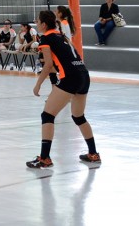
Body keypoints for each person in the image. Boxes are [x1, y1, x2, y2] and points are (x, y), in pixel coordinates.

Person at [26, 10, 100, 168]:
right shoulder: (61, 36)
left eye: (38, 21)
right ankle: (93, 153)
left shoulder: (46, 38)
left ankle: (44, 158)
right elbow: (59, 63)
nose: (36, 24)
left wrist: (38, 84)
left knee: (47, 115)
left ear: (44, 24)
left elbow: (48, 65)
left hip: (71, 78)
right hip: (83, 75)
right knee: (78, 117)